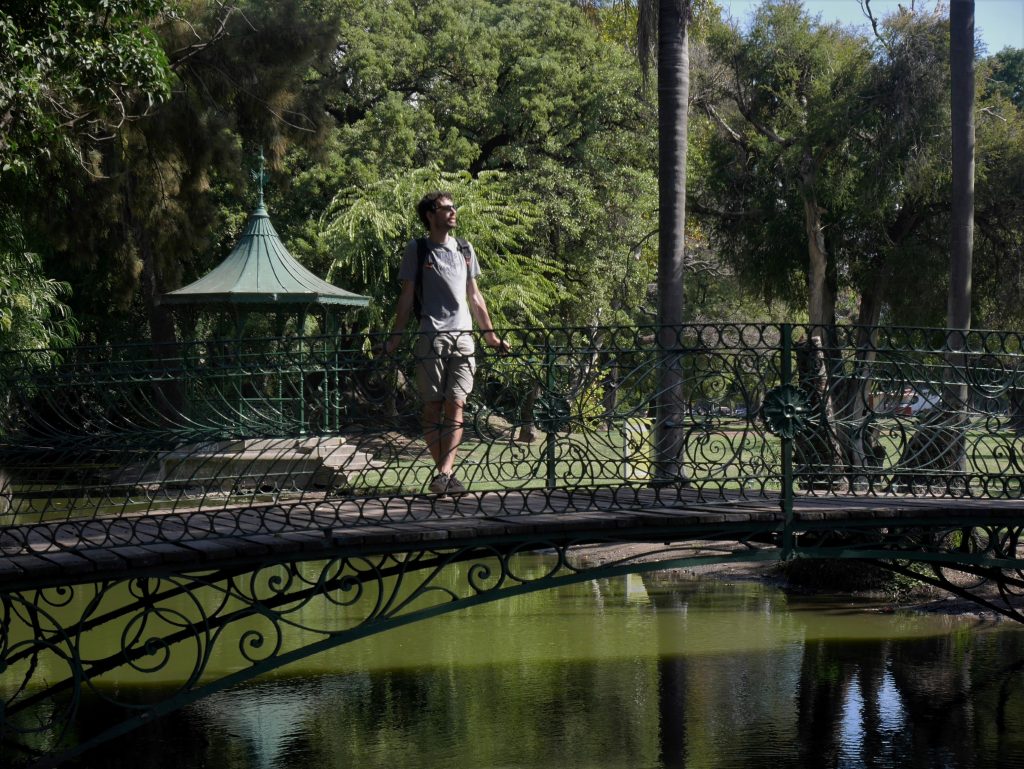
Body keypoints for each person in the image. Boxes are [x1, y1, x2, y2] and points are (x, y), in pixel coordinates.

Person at [384, 191, 510, 494]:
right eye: (446, 208)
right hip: (431, 336)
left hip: (464, 337)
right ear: (431, 215)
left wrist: (490, 336)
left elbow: (475, 296)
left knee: (457, 405)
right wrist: (394, 340)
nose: (453, 212)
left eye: (454, 207)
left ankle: (444, 472)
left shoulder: (465, 249)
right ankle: (446, 477)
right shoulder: (418, 249)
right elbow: (405, 297)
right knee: (432, 407)